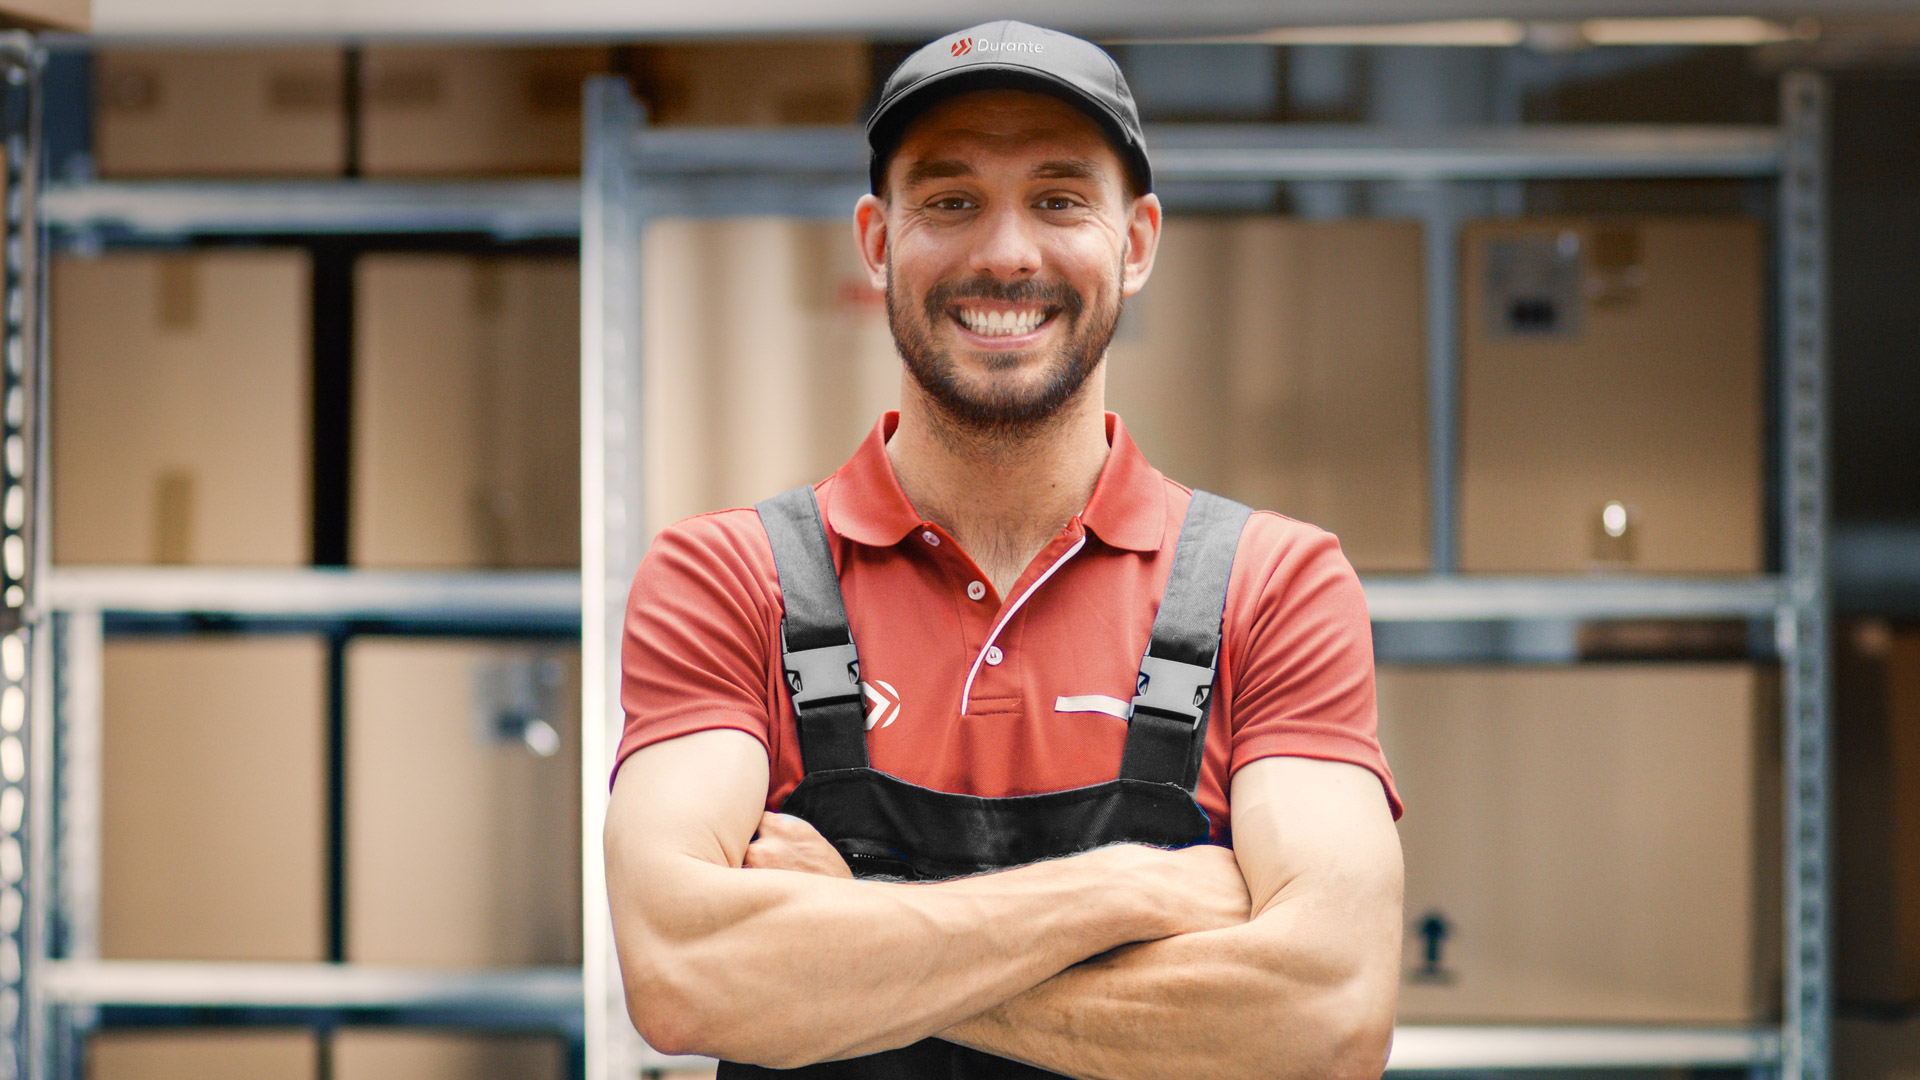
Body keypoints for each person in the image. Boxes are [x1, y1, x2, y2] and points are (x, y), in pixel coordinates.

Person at [604, 20, 1404, 1080]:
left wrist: (853, 931)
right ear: (878, 239)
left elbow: (1329, 1013)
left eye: (1061, 199)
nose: (1006, 253)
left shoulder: (1275, 587)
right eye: (950, 200)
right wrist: (1129, 894)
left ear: (1138, 241)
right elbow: (685, 978)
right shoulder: (722, 581)